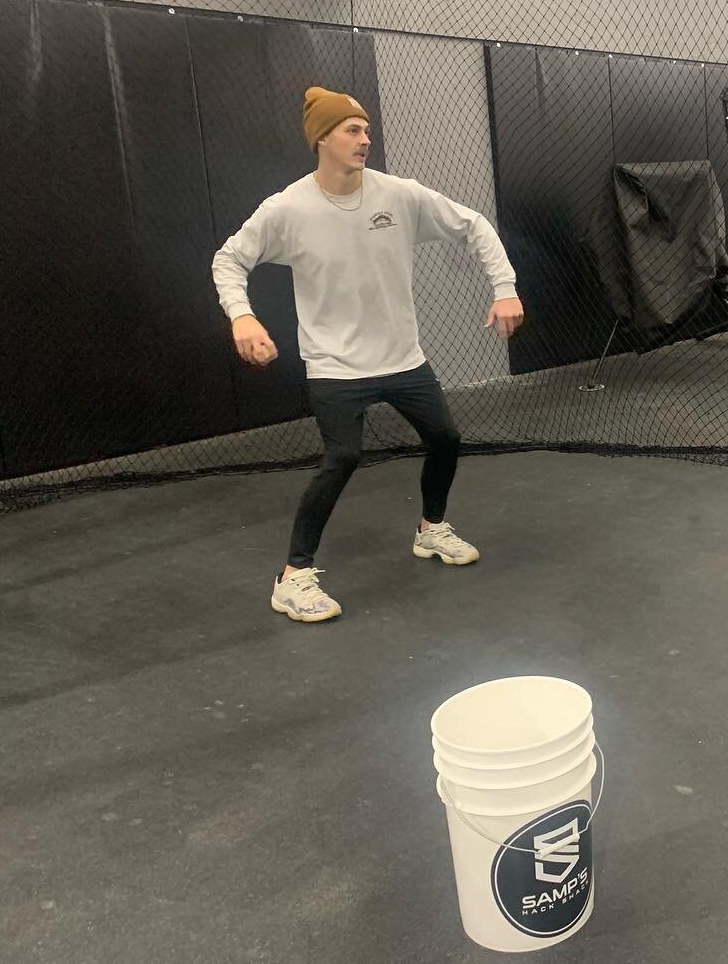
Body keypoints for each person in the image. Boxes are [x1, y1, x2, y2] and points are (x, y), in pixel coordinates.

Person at [211, 86, 524, 623]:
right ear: (322, 139)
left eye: (366, 129)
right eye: (353, 130)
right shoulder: (287, 208)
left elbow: (473, 225)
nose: (365, 139)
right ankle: (294, 578)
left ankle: (431, 530)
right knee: (343, 458)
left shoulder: (398, 195)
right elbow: (229, 260)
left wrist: (505, 287)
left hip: (403, 358)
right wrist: (242, 316)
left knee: (446, 439)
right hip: (336, 365)